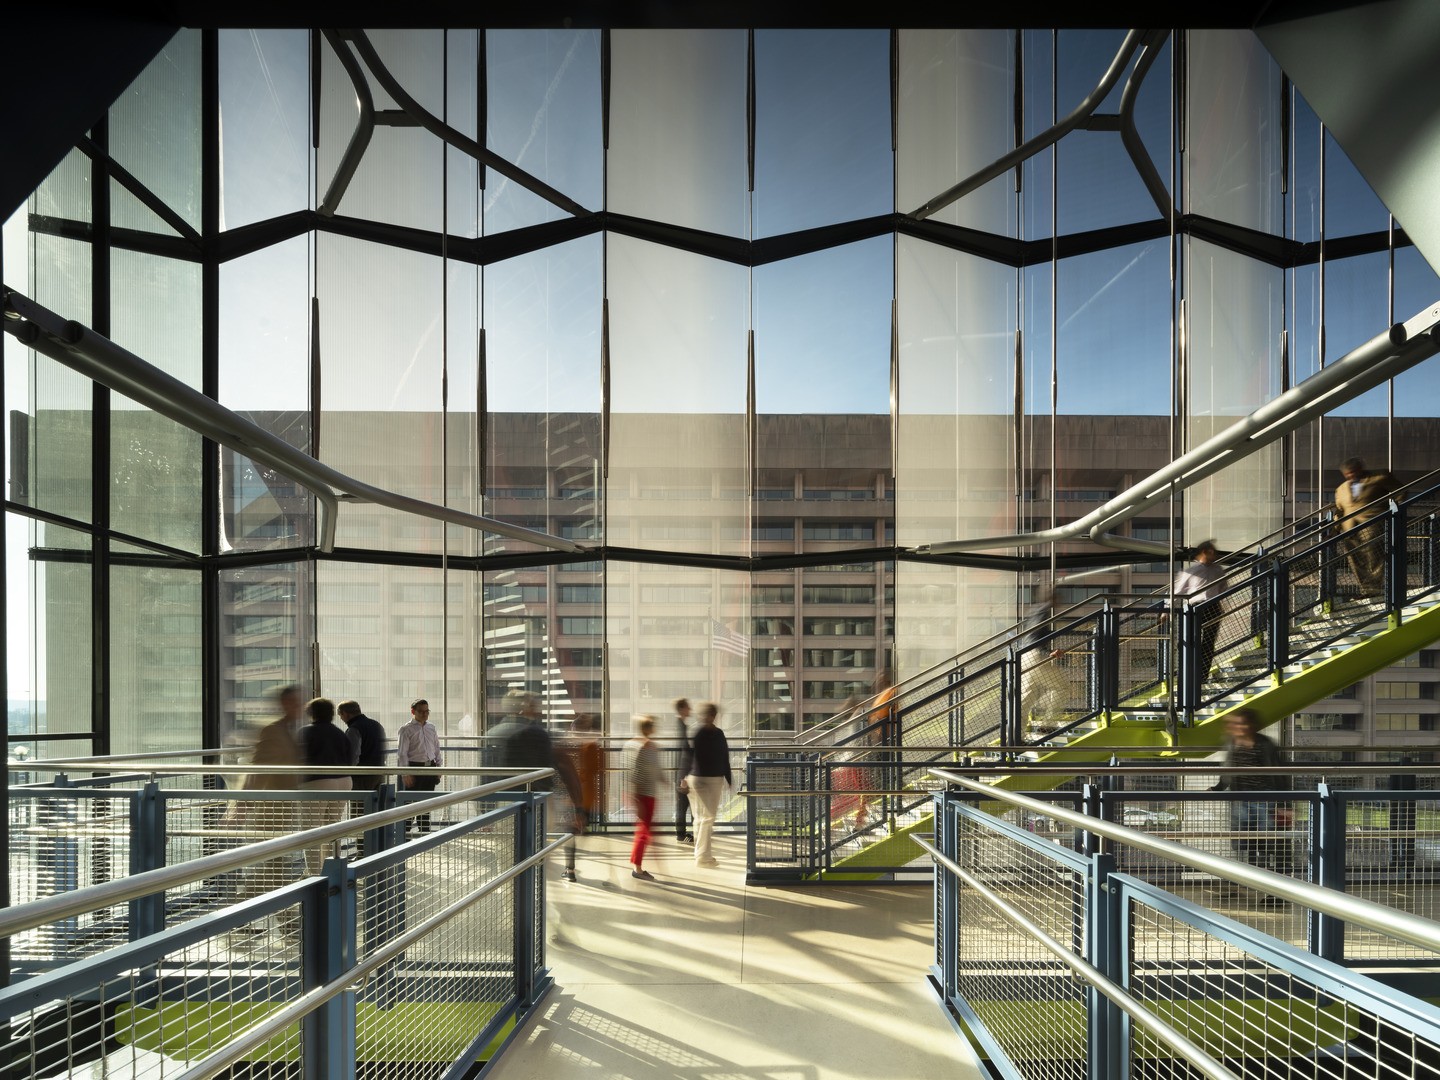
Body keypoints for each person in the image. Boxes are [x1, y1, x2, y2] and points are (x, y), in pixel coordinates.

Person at [1212, 708, 1291, 875]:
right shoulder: (1233, 743)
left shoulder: (1265, 744)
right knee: (1244, 840)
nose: (1240, 728)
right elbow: (1228, 771)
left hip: (1265, 800)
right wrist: (1217, 788)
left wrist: (1284, 803)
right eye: (1237, 724)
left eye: (1243, 724)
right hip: (1241, 800)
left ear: (1251, 726)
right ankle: (1248, 876)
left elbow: (1279, 774)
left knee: (1265, 840)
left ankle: (1263, 876)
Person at [298, 697, 353, 874]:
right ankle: (332, 870)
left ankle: (314, 874)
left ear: (311, 713)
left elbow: (296, 758)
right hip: (344, 781)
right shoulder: (340, 733)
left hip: (317, 782)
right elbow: (350, 758)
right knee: (332, 826)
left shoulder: (306, 732)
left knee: (311, 830)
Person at [1333, 457, 1396, 598]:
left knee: (1374, 556)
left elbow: (1400, 491)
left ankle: (1375, 590)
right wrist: (1335, 530)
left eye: (1353, 472)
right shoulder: (1341, 489)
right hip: (1349, 528)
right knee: (1355, 560)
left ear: (1360, 469)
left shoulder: (1379, 477)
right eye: (1347, 474)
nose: (1351, 476)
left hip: (1373, 522)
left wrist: (1395, 510)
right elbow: (1339, 510)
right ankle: (1366, 589)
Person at [1168, 540, 1226, 689]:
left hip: (1212, 607)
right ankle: (1186, 675)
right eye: (1212, 551)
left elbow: (1223, 589)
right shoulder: (1191, 571)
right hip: (1195, 607)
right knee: (1189, 643)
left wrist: (1221, 606)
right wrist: (1167, 610)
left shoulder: (1218, 570)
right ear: (1204, 552)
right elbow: (1176, 592)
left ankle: (1202, 677)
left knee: (1208, 643)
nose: (1215, 554)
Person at [684, 702, 732, 869]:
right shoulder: (711, 734)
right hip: (707, 779)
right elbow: (723, 756)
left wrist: (728, 777)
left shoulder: (702, 733)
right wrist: (728, 777)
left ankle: (701, 855)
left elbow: (723, 755)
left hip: (701, 779)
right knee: (707, 818)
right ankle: (703, 857)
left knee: (701, 819)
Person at [557, 713, 603, 883]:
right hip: (586, 797)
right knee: (574, 830)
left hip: (570, 796)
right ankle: (570, 867)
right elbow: (595, 771)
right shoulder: (592, 747)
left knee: (569, 832)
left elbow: (565, 773)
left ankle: (570, 869)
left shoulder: (568, 746)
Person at [396, 698, 442, 834]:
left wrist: (439, 767)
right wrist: (405, 773)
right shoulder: (406, 729)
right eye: (421, 711)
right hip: (414, 769)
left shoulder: (431, 727)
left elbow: (437, 749)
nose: (424, 714)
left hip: (430, 768)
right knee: (410, 805)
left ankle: (424, 835)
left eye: (427, 711)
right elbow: (402, 753)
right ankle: (404, 836)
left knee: (426, 804)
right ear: (413, 711)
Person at [625, 715, 661, 881]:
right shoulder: (645, 747)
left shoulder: (635, 744)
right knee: (643, 832)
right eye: (652, 725)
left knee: (642, 830)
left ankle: (635, 863)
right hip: (644, 795)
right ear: (647, 728)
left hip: (644, 794)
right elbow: (637, 774)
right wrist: (638, 800)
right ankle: (637, 869)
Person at [672, 698, 694, 843]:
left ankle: (683, 833)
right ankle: (681, 834)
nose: (690, 710)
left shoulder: (682, 726)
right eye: (687, 707)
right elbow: (685, 750)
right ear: (681, 709)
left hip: (681, 770)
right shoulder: (681, 727)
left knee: (684, 804)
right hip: (683, 771)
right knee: (684, 804)